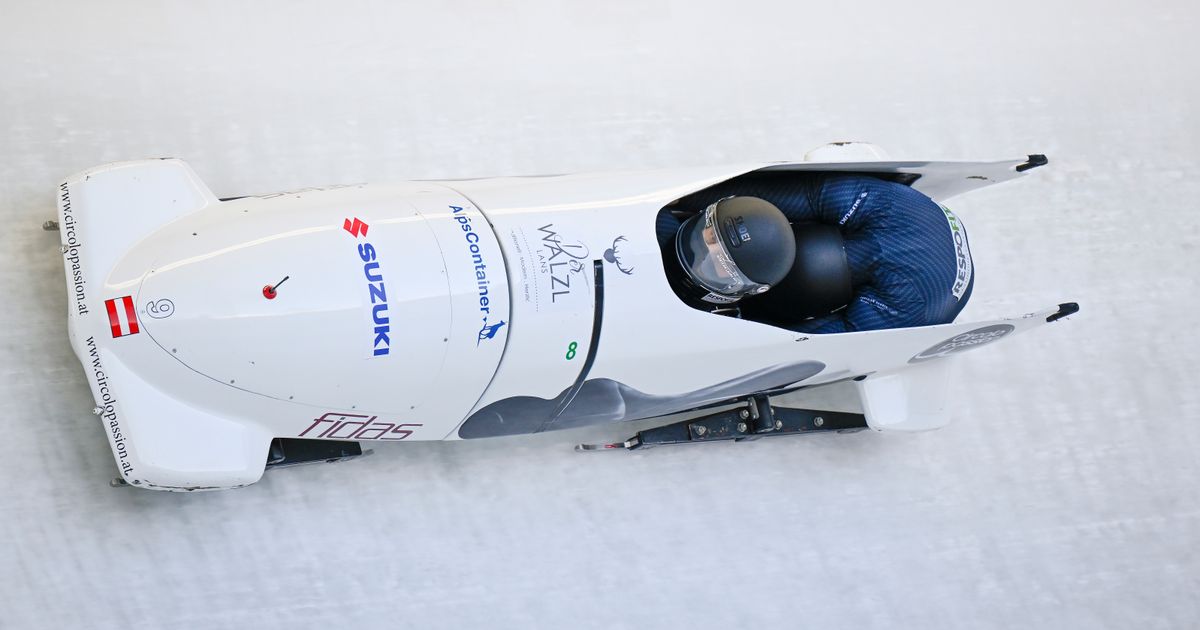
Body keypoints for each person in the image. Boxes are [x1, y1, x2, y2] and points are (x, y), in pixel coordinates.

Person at [657, 172, 974, 333]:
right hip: (904, 216)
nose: (702, 255)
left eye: (720, 269)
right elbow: (799, 194)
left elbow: (815, 341)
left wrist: (737, 323)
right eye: (708, 239)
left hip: (927, 299)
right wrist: (682, 202)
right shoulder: (867, 202)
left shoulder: (904, 305)